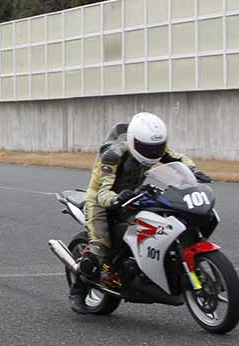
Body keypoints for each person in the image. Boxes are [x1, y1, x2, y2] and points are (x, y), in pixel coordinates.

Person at [72, 111, 211, 313]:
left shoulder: (154, 146)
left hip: (133, 195)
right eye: (146, 148)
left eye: (157, 147)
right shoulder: (112, 155)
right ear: (132, 141)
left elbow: (178, 158)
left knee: (160, 225)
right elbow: (103, 192)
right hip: (101, 201)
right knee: (100, 250)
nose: (153, 152)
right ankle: (78, 290)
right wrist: (116, 199)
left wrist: (194, 170)